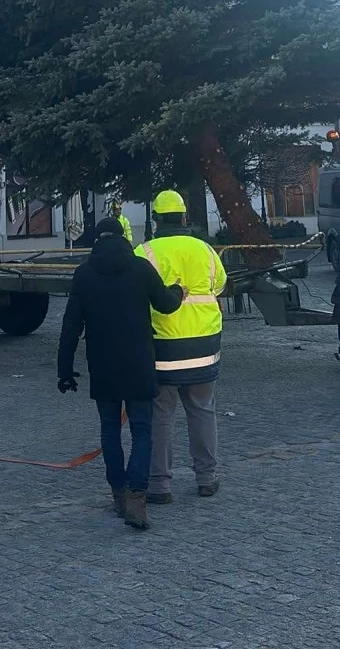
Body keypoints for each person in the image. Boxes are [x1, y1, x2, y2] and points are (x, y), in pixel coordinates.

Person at [57, 217, 184, 531]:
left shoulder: (84, 274)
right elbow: (166, 305)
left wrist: (64, 370)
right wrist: (178, 290)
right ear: (124, 237)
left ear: (97, 240)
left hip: (103, 365)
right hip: (138, 362)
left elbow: (70, 326)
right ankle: (136, 497)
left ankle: (118, 493)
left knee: (110, 431)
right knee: (142, 431)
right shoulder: (140, 267)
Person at [135, 190, 227, 502]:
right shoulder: (204, 249)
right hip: (204, 344)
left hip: (163, 347)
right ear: (184, 217)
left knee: (160, 415)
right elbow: (221, 284)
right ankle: (207, 478)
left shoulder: (145, 252)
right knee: (202, 411)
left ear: (156, 219)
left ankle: (159, 485)